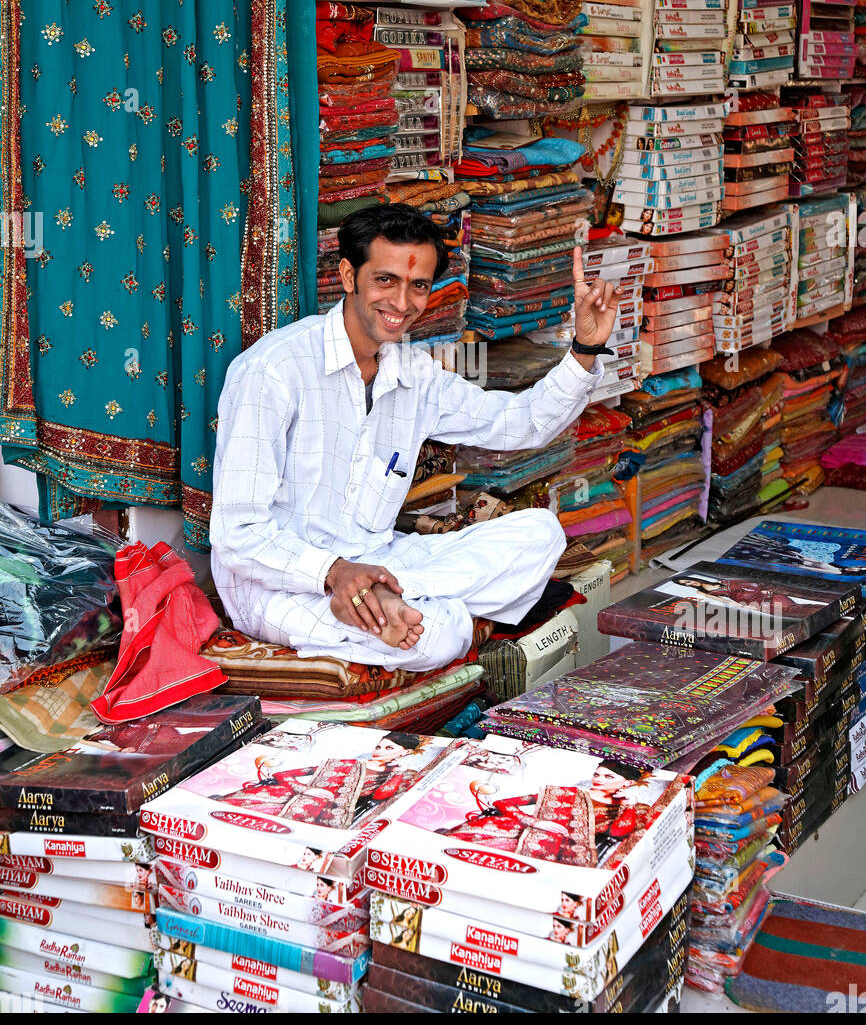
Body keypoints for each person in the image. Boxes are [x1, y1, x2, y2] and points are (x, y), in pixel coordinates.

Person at [211, 204, 623, 673]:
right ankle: (393, 605)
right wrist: (333, 574)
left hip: (383, 563)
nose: (402, 303)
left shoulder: (413, 374)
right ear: (349, 276)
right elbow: (236, 534)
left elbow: (519, 423)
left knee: (542, 533)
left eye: (419, 286)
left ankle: (385, 597)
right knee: (437, 636)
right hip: (278, 586)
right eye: (385, 280)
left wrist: (585, 350)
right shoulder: (274, 371)